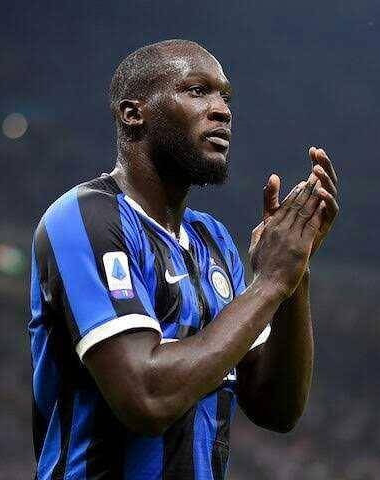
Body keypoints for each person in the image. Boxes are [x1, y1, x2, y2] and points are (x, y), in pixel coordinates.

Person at [29, 39, 339, 480]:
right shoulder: (84, 218)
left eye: (225, 97)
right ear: (132, 113)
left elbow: (276, 408)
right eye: (197, 91)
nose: (222, 111)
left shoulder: (212, 240)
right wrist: (270, 281)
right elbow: (146, 398)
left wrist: (294, 272)